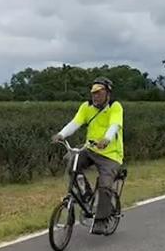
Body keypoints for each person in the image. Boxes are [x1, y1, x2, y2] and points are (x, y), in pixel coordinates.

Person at [52, 77, 125, 234]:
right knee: (72, 162)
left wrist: (106, 139)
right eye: (93, 93)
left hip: (111, 155)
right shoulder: (86, 107)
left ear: (108, 93)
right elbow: (75, 123)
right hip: (90, 149)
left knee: (105, 185)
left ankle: (101, 219)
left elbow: (114, 125)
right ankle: (85, 193)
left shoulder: (115, 107)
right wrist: (61, 134)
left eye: (99, 93)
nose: (95, 96)